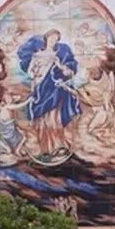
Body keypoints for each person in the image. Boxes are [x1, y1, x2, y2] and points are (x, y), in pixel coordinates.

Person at [17, 29, 81, 161]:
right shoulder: (37, 55)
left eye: (56, 39)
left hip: (54, 90)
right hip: (40, 89)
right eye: (52, 38)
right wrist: (36, 72)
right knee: (42, 120)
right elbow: (31, 72)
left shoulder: (59, 56)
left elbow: (69, 73)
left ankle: (59, 145)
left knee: (54, 118)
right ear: (46, 38)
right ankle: (45, 149)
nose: (53, 40)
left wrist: (60, 65)